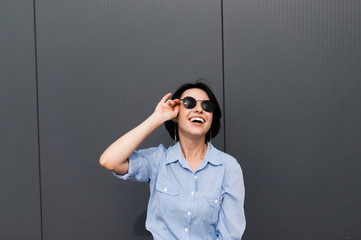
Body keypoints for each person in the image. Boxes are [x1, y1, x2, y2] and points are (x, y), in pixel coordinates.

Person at [99, 82, 246, 240]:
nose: (199, 109)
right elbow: (109, 161)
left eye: (207, 105)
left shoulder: (228, 167)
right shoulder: (158, 160)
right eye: (189, 103)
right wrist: (156, 118)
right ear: (175, 114)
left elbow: (230, 235)